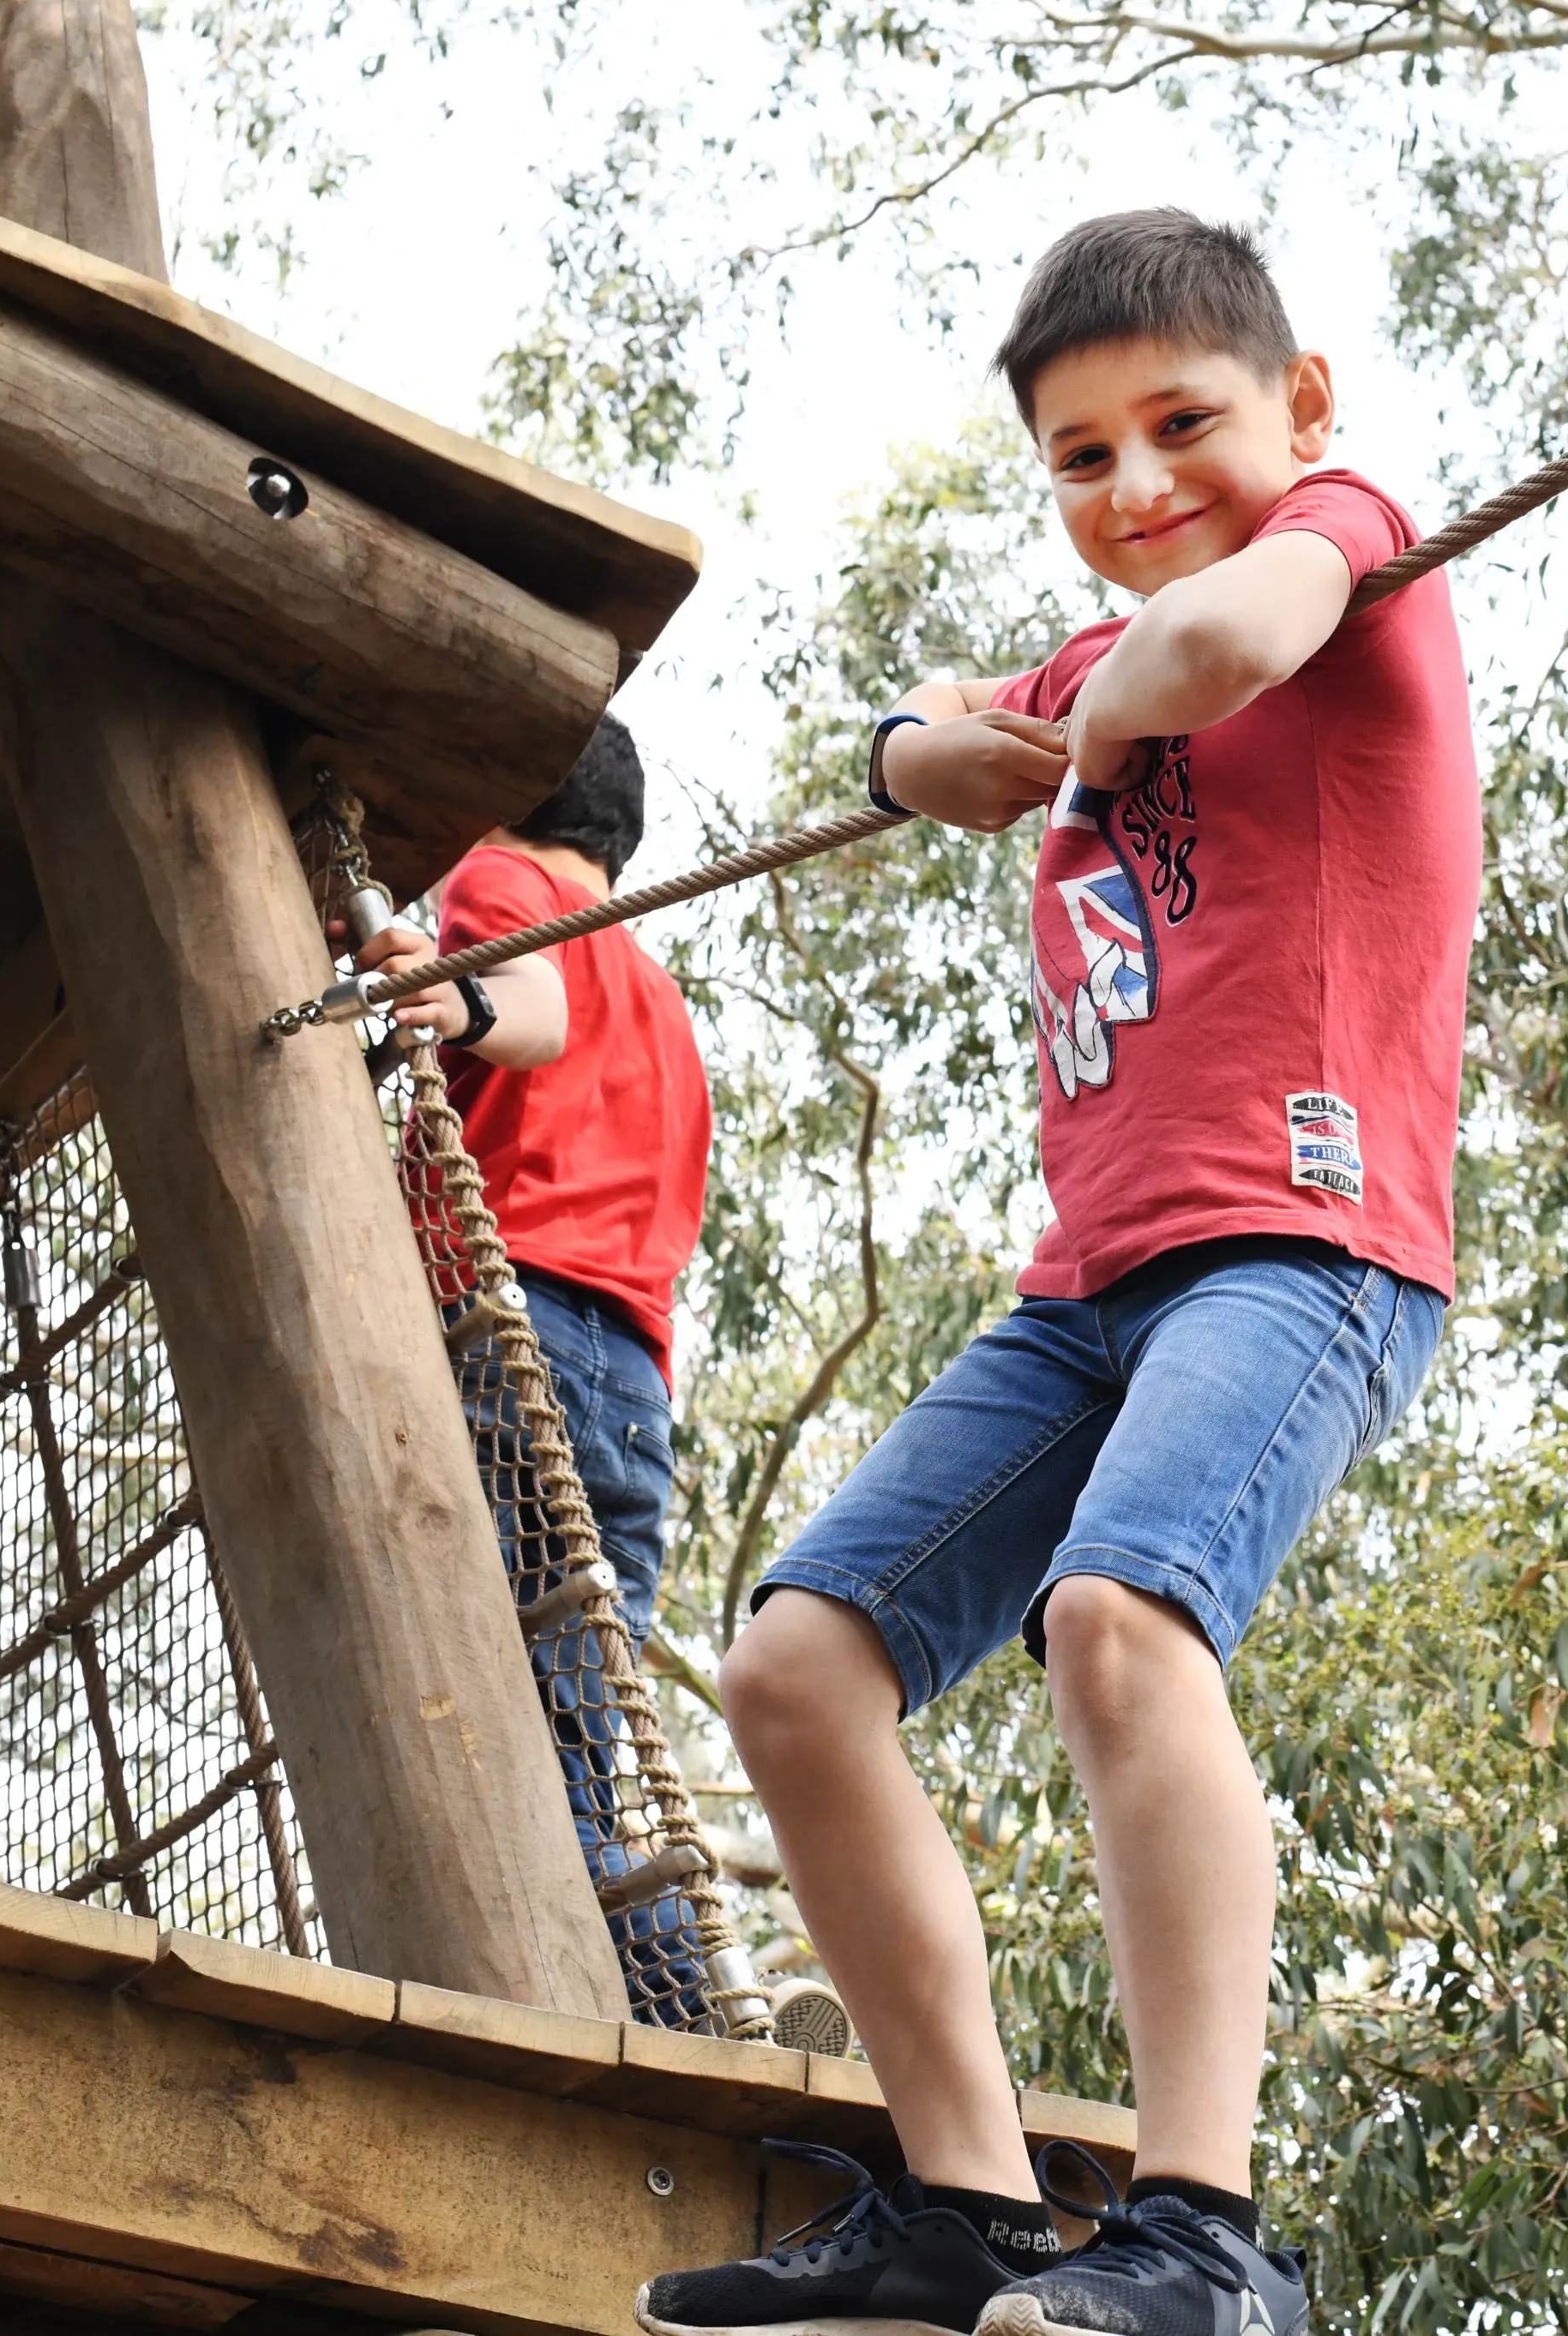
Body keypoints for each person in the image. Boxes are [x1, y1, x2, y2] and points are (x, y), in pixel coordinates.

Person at [634, 212, 1474, 2336]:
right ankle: (966, 2205)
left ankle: (1205, 2233)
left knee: (1117, 1620)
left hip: (1305, 1242)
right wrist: (920, 750)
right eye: (1078, 460)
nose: (1137, 488)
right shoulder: (1085, 667)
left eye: (1181, 426)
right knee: (794, 1671)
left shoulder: (1351, 539)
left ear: (1297, 403)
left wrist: (1041, 720)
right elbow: (910, 734)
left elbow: (1198, 658)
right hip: (1087, 1285)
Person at [356, 715, 716, 2006]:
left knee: (509, 1727)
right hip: (630, 1379)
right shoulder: (666, 1005)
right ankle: (683, 1978)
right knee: (580, 1718)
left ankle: (670, 1994)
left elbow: (531, 1008)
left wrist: (456, 995)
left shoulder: (502, 879)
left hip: (519, 1334)